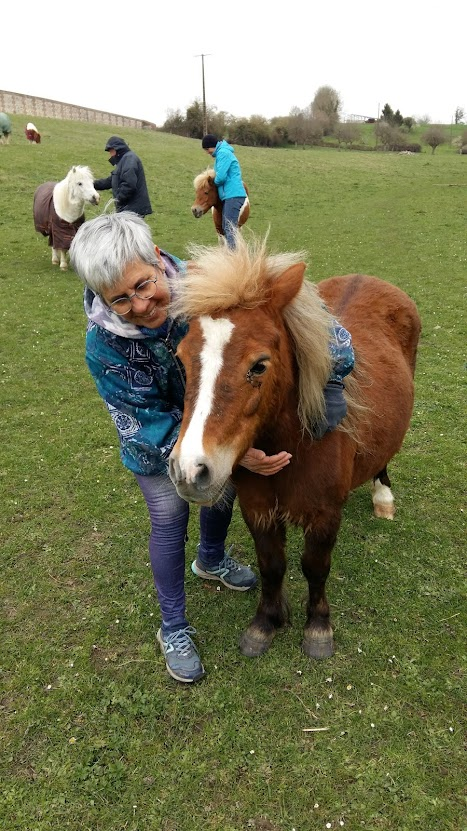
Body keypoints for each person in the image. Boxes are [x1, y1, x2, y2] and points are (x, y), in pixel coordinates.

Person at [69, 211, 292, 684]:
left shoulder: (201, 286)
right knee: (169, 517)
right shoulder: (103, 346)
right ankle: (173, 627)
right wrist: (208, 445)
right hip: (154, 442)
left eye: (144, 285)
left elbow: (283, 312)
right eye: (120, 300)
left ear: (155, 258)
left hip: (209, 424)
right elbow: (141, 419)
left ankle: (211, 558)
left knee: (220, 492)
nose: (141, 305)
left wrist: (337, 375)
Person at [201, 134, 248, 248]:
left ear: (213, 146)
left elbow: (221, 177)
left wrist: (213, 184)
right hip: (230, 194)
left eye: (207, 149)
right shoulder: (222, 153)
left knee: (229, 227)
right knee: (228, 227)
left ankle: (233, 257)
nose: (207, 152)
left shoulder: (223, 153)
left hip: (233, 194)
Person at [94, 136, 152, 217]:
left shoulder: (129, 159)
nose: (110, 154)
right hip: (128, 209)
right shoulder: (124, 160)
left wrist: (118, 199)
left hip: (132, 210)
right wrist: (92, 184)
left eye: (111, 151)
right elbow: (111, 180)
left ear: (117, 149)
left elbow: (129, 184)